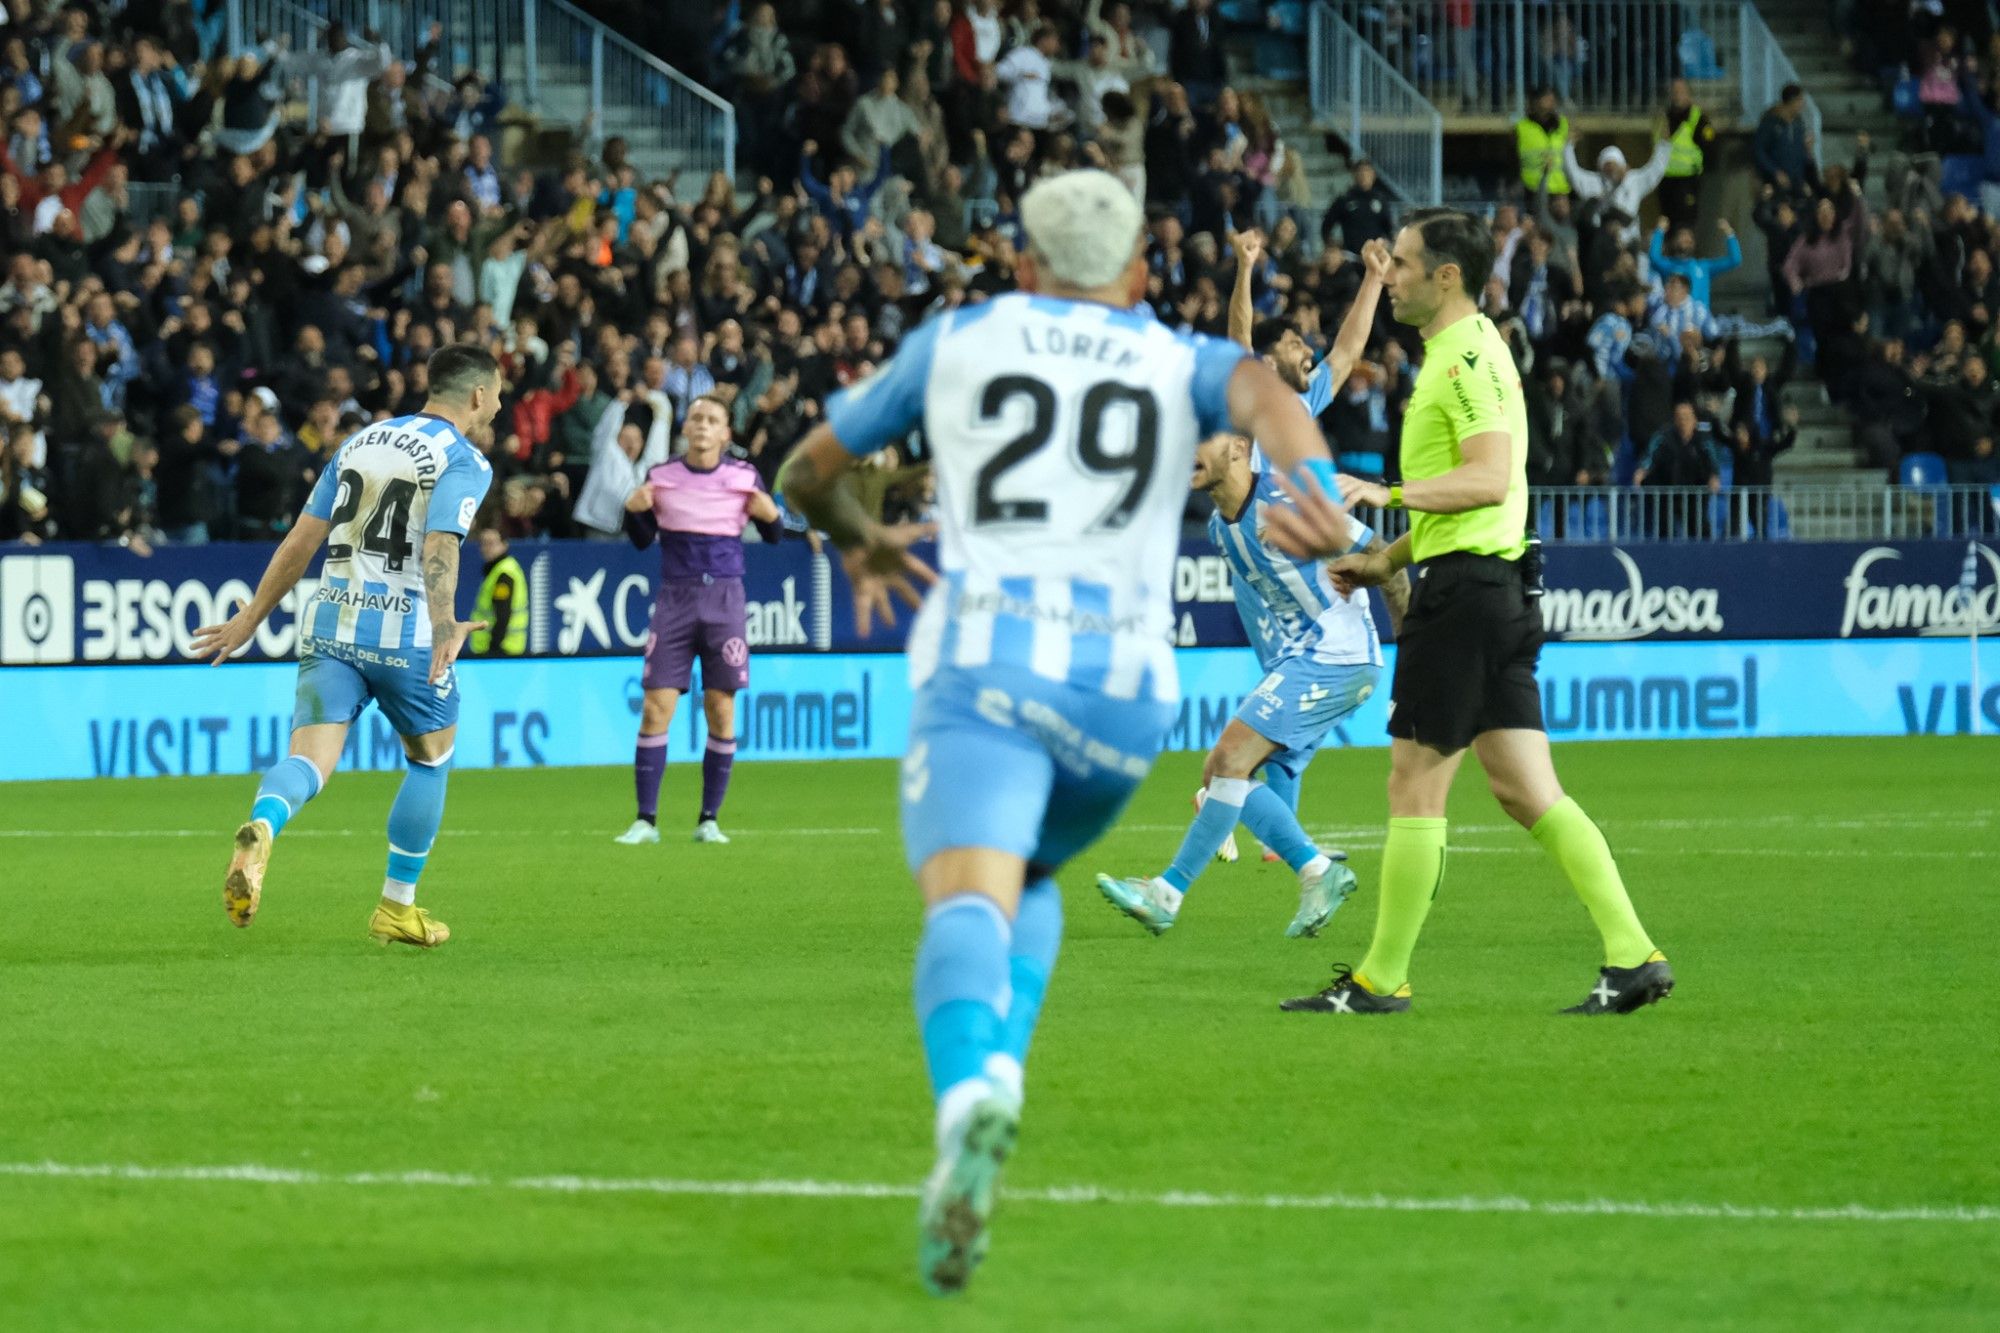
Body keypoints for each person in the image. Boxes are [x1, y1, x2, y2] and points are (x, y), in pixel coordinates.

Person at [775, 169, 1348, 1295]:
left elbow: (804, 471)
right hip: (1125, 696)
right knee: (1029, 880)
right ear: (1137, 271)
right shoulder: (1171, 355)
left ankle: (968, 1102)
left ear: (1024, 266)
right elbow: (1273, 400)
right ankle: (1005, 1074)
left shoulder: (958, 337)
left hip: (987, 664)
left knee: (964, 898)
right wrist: (1316, 485)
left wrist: (862, 535)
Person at [1269, 208, 1672, 1016]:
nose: (1394, 280)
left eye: (1406, 266)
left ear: (1447, 276)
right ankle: (1634, 956)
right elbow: (1483, 498)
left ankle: (1382, 979)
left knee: (1412, 784)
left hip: (1465, 598)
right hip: (1496, 586)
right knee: (1526, 788)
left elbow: (1488, 479)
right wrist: (1386, 557)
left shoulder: (1462, 364)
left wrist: (1387, 493)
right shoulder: (1467, 355)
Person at [191, 345, 503, 949]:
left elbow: (302, 538)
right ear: (477, 396)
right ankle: (397, 906)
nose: (498, 403)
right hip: (406, 633)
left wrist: (251, 617)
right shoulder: (465, 459)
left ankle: (265, 821)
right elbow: (442, 544)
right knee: (431, 757)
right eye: (497, 393)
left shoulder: (360, 443)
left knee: (311, 760)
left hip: (331, 625)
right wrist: (445, 623)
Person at [1094, 414, 1411, 938]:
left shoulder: (1287, 499)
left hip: (1339, 655)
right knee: (1222, 775)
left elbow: (1381, 557)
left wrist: (1412, 651)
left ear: (1240, 448)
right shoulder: (1222, 529)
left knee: (1227, 760)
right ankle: (1315, 872)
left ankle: (1167, 894)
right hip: (1306, 657)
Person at [614, 394, 782, 847]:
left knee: (721, 708)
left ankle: (709, 819)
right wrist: (634, 513)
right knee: (655, 707)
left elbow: (773, 534)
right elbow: (642, 541)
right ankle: (645, 820)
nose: (703, 426)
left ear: (726, 433)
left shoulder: (744, 476)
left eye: (713, 420)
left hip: (725, 598)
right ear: (685, 429)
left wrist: (773, 516)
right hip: (676, 597)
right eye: (697, 419)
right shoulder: (662, 476)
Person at [1658, 78, 1716, 232]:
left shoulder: (1697, 117)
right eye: (1674, 92)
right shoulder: (1663, 117)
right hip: (1665, 179)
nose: (1677, 95)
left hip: (1687, 180)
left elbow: (1709, 146)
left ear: (1689, 94)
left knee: (1686, 223)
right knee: (1667, 223)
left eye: (1681, 91)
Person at [471, 526, 528, 655]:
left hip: (501, 649)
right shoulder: (497, 569)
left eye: (491, 543)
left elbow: (503, 614)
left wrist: (494, 648)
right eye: (483, 543)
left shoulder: (504, 574)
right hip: (498, 648)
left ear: (504, 545)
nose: (486, 548)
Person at [1515, 85, 1570, 200]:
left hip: (1559, 189)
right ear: (1535, 102)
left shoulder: (1562, 124)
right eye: (1547, 98)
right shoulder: (1522, 127)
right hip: (1532, 187)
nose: (1551, 102)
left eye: (1552, 99)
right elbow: (1513, 158)